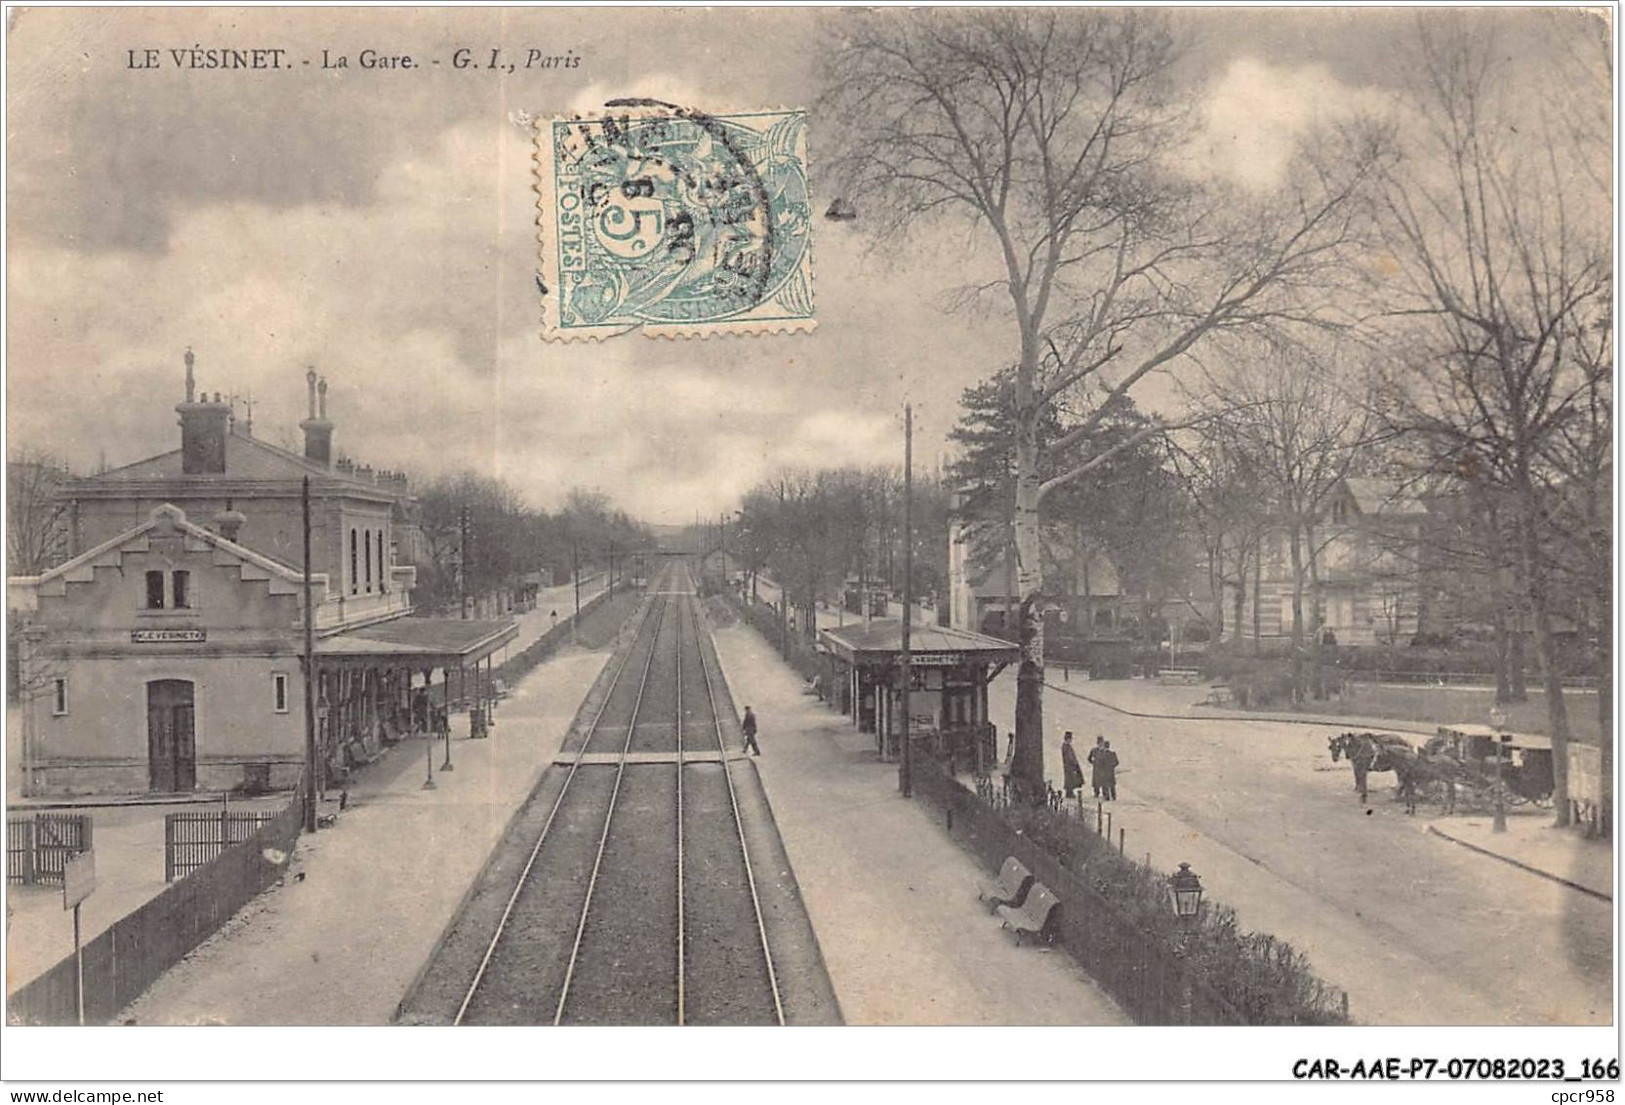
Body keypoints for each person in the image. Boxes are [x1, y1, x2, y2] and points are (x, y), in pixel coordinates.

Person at [1060, 731, 1084, 798]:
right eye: (1070, 739)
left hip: (1069, 765)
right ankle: (1069, 793)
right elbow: (1069, 757)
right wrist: (1074, 763)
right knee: (1070, 779)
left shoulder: (1067, 746)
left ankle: (1070, 792)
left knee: (1071, 779)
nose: (1071, 740)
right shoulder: (1066, 747)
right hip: (1069, 766)